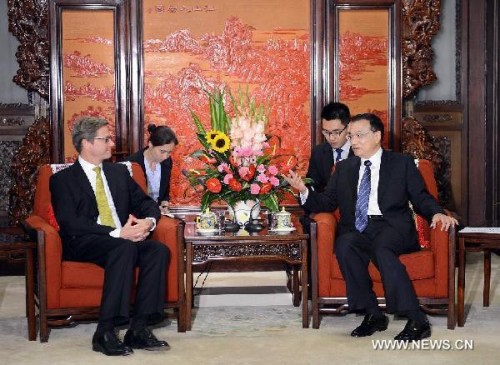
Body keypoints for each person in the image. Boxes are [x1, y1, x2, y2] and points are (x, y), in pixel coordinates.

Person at [285, 113, 458, 342]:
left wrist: (436, 212)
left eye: (359, 135)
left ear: (377, 136)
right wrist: (304, 191)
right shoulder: (344, 168)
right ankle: (373, 314)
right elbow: (327, 203)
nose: (353, 141)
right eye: (351, 136)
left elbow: (420, 197)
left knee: (381, 248)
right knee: (345, 245)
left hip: (393, 226)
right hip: (360, 228)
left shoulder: (401, 163)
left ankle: (417, 319)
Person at [50, 117, 171, 356]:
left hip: (121, 239)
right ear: (86, 143)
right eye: (105, 139)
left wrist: (148, 222)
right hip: (85, 241)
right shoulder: (62, 180)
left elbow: (146, 203)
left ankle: (138, 329)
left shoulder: (118, 173)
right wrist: (118, 233)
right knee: (123, 248)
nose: (111, 144)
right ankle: (104, 332)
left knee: (158, 251)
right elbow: (70, 223)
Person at [126, 124, 178, 214]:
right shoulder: (132, 163)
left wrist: (164, 204)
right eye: (162, 151)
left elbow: (164, 192)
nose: (165, 156)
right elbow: (129, 199)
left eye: (169, 152)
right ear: (150, 144)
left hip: (157, 213)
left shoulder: (167, 162)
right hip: (137, 214)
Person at [306, 101, 353, 192]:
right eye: (326, 132)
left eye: (336, 132)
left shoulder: (362, 150)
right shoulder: (318, 152)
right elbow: (312, 185)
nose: (331, 138)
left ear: (349, 126)